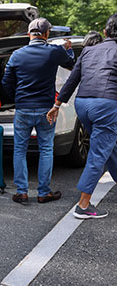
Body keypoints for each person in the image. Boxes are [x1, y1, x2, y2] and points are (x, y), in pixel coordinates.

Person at [47, 13, 117, 219]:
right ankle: (83, 205)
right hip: (106, 104)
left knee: (108, 144)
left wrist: (57, 105)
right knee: (98, 151)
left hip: (83, 104)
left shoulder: (89, 50)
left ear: (105, 32)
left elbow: (72, 80)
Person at [2, 18, 75, 204]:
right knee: (46, 149)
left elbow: (6, 82)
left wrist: (17, 98)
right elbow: (72, 65)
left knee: (19, 149)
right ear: (47, 34)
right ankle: (43, 192)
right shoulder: (53, 52)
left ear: (29, 34)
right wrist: (68, 48)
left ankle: (22, 192)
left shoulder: (16, 55)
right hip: (46, 110)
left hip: (23, 109)